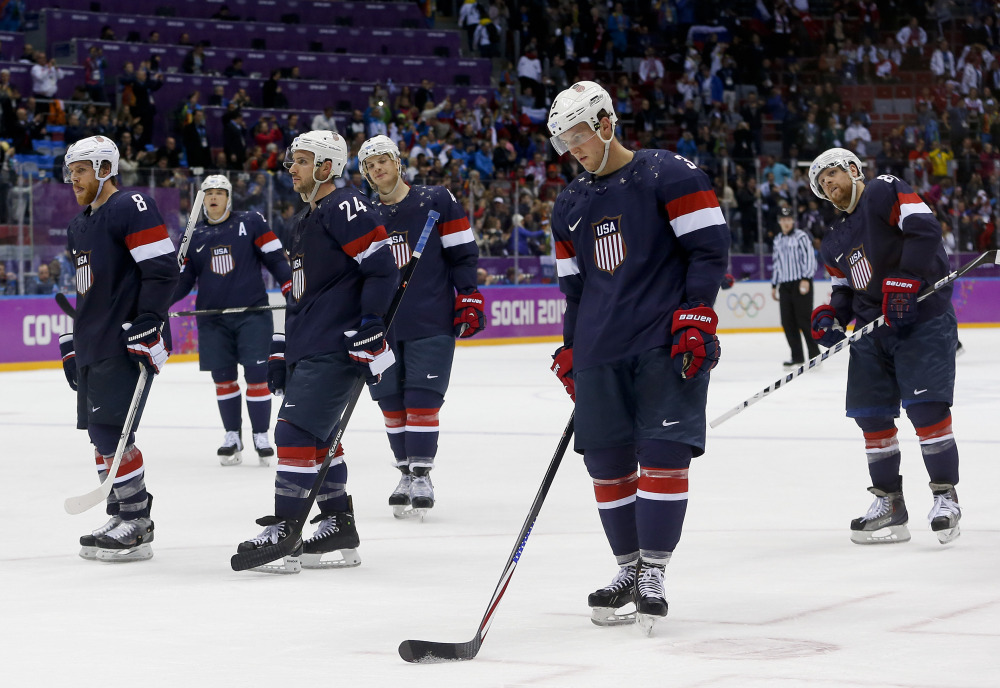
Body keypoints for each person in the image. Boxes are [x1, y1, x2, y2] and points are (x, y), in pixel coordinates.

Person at [545, 82, 729, 632]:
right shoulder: (570, 204)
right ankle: (628, 569)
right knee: (605, 462)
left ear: (606, 122)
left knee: (663, 453)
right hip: (601, 349)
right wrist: (571, 347)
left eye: (578, 134)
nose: (573, 148)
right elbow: (574, 290)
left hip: (661, 341)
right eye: (563, 141)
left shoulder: (669, 173)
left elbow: (709, 248)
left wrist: (696, 314)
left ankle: (653, 568)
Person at [235, 131, 399, 572]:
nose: (291, 168)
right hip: (310, 343)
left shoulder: (346, 205)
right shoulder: (303, 219)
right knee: (321, 437)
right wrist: (281, 346)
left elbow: (383, 267)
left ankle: (285, 531)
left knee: (292, 433)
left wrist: (371, 323)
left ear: (326, 166)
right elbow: (301, 295)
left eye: (301, 161)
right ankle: (337, 524)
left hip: (336, 345)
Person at [808, 147, 962, 546]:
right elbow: (844, 287)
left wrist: (906, 278)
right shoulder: (833, 240)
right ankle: (890, 503)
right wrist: (831, 316)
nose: (828, 183)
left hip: (922, 317)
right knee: (871, 417)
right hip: (872, 330)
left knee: (927, 410)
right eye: (822, 182)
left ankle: (945, 498)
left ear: (854, 169)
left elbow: (925, 228)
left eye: (832, 173)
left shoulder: (882, 190)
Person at [58, 135, 178, 562]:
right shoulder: (79, 225)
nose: (73, 179)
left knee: (113, 431)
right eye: (71, 171)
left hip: (124, 340)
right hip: (94, 340)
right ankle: (119, 512)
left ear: (106, 169)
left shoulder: (131, 206)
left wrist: (148, 321)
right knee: (100, 433)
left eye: (82, 170)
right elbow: (89, 293)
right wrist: (74, 339)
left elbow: (163, 271)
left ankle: (137, 520)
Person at [357, 134, 485, 518]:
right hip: (381, 326)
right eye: (369, 165)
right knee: (391, 403)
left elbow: (463, 251)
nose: (378, 168)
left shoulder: (437, 201)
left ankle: (422, 473)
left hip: (431, 317)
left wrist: (469, 294)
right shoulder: (363, 213)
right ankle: (403, 472)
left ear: (398, 162)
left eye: (383, 160)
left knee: (423, 399)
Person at [171, 175, 292, 466]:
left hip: (252, 314)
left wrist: (291, 288)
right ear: (202, 199)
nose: (213, 197)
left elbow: (275, 257)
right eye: (208, 193)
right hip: (212, 319)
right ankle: (232, 436)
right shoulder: (194, 236)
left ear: (228, 198)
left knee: (257, 377)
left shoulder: (251, 222)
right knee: (223, 379)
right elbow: (185, 280)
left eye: (219, 193)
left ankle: (261, 435)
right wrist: (159, 301)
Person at [771, 206, 820, 366]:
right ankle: (797, 357)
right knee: (787, 322)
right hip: (784, 285)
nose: (786, 222)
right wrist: (774, 284)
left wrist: (806, 278)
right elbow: (777, 263)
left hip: (801, 282)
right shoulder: (777, 239)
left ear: (793, 221)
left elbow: (810, 258)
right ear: (779, 222)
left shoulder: (801, 236)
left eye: (788, 219)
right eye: (783, 220)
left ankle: (815, 355)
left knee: (804, 320)